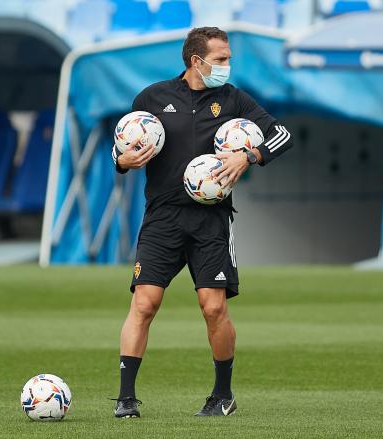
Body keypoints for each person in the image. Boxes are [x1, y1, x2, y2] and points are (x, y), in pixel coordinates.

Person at [111, 27, 293, 418]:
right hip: (162, 217)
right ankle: (126, 399)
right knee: (144, 303)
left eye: (228, 58)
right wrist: (120, 161)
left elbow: (283, 134)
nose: (228, 65)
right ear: (197, 61)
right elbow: (124, 146)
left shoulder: (232, 99)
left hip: (211, 220)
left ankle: (222, 395)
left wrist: (250, 156)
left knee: (213, 308)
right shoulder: (152, 98)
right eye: (222, 59)